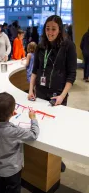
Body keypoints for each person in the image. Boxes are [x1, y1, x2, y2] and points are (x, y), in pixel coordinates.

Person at [28, 15, 77, 172]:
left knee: (56, 129)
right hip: (41, 92)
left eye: (54, 29)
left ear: (60, 29)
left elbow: (72, 74)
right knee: (41, 126)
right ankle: (43, 159)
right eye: (47, 28)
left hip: (58, 95)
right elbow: (35, 70)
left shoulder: (69, 46)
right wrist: (30, 90)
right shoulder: (41, 46)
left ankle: (56, 160)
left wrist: (62, 96)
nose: (50, 32)